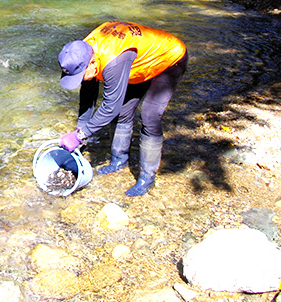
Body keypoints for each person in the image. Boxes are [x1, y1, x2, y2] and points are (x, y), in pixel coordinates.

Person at [57, 21, 188, 197]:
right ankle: (119, 161)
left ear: (93, 64)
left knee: (149, 116)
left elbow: (110, 106)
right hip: (137, 63)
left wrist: (80, 136)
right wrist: (79, 132)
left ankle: (147, 178)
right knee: (124, 112)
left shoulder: (112, 60)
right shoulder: (82, 52)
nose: (80, 80)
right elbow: (88, 98)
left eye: (80, 76)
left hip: (169, 59)